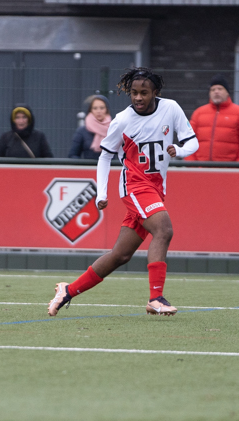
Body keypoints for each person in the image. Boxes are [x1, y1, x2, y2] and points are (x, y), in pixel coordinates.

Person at [48, 67, 199, 317]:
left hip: (156, 189)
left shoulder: (171, 108)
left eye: (144, 93)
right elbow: (105, 155)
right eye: (133, 93)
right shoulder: (122, 120)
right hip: (135, 187)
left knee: (121, 255)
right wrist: (101, 193)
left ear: (155, 92)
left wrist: (179, 150)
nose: (138, 98)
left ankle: (67, 291)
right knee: (164, 229)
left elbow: (192, 140)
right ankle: (156, 298)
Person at [185, 75, 239, 162]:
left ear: (227, 92)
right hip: (201, 170)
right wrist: (192, 166)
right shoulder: (198, 113)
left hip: (228, 171)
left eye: (220, 89)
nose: (216, 92)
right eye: (213, 89)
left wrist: (238, 167)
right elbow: (188, 140)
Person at [68, 94, 112, 159]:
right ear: (90, 110)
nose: (98, 111)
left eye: (102, 108)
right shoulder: (82, 131)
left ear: (106, 110)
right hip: (88, 168)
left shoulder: (113, 129)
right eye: (95, 108)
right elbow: (73, 155)